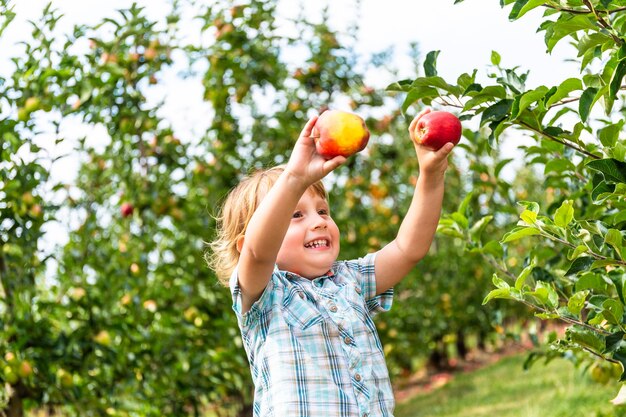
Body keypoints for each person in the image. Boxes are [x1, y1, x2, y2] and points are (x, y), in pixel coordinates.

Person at [208, 109, 454, 417]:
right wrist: (295, 179)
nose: (318, 222)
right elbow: (259, 251)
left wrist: (431, 176)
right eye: (295, 215)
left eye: (323, 211)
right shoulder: (266, 296)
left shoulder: (350, 279)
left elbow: (408, 248)